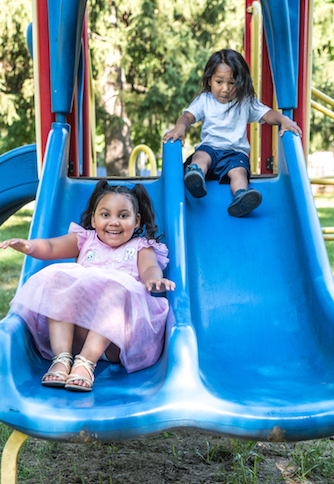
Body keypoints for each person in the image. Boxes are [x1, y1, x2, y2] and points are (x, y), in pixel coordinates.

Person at [0, 180, 175, 392]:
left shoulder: (141, 247)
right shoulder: (85, 240)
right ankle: (62, 359)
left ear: (136, 221)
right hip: (78, 335)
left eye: (123, 215)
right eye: (105, 214)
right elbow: (52, 246)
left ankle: (85, 363)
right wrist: (30, 246)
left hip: (118, 342)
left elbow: (149, 269)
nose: (114, 222)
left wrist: (153, 280)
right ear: (93, 218)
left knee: (117, 287)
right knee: (58, 278)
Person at [163, 48, 302, 217]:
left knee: (239, 172)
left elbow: (267, 114)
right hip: (210, 149)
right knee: (201, 157)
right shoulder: (204, 100)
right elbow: (187, 117)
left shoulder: (245, 102)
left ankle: (241, 196)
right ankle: (195, 177)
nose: (225, 89)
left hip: (235, 154)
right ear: (209, 81)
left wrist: (283, 120)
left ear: (241, 82)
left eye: (232, 82)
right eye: (219, 82)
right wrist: (180, 128)